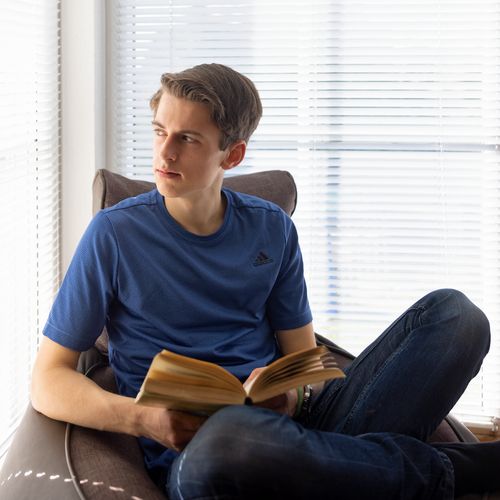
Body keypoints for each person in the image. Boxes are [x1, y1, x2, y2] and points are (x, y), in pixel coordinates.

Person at [31, 63, 499, 499]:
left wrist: (292, 394)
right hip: (202, 452)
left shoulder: (271, 228)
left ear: (231, 154)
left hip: (299, 430)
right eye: (159, 131)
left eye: (188, 139)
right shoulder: (114, 234)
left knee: (458, 317)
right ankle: (456, 472)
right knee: (231, 439)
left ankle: (343, 471)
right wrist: (142, 419)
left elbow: (304, 361)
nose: (164, 152)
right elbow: (47, 380)